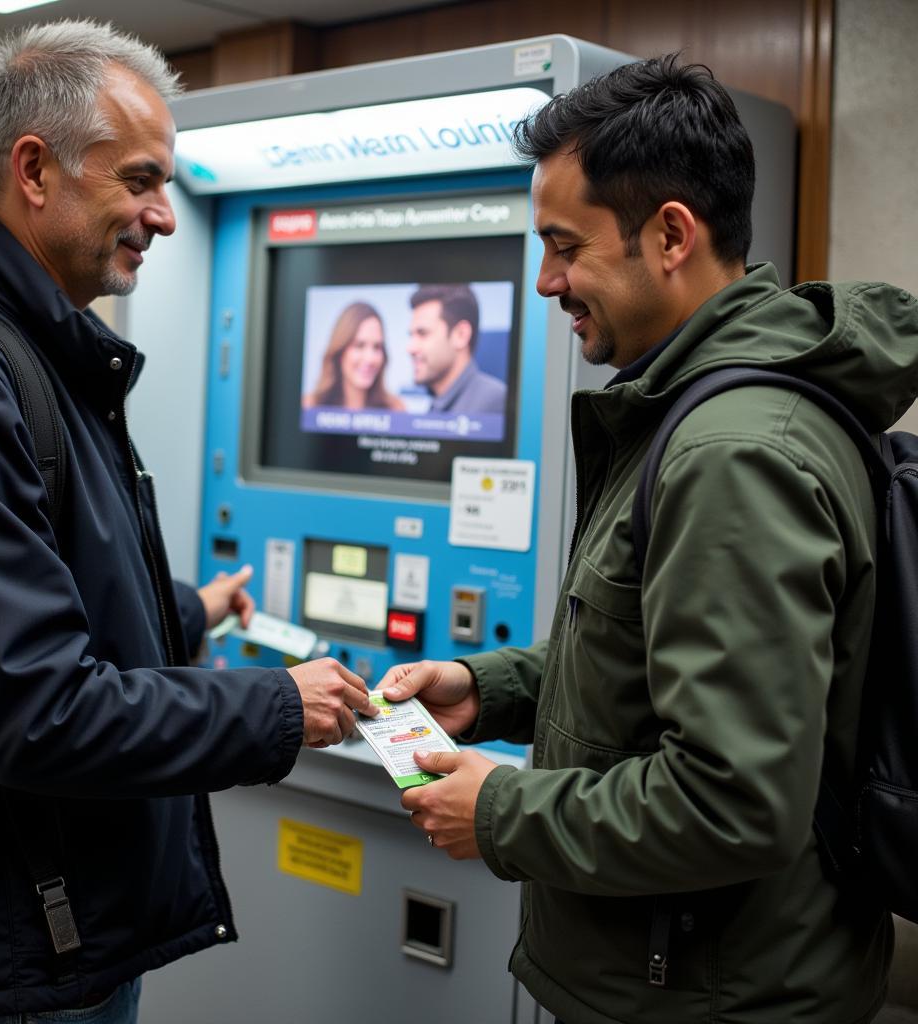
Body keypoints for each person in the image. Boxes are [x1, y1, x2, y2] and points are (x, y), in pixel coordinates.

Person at [380, 55, 917, 1023]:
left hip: (710, 994)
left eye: (564, 246)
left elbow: (731, 801)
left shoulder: (733, 450)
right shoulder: (692, 408)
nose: (546, 282)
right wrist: (490, 688)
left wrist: (499, 811)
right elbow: (648, 660)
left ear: (670, 234)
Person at [0, 19, 375, 1020]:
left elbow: (51, 593)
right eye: (141, 180)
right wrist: (278, 707)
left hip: (62, 927)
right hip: (0, 958)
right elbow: (33, 707)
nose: (164, 216)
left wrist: (192, 609)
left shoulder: (44, 354)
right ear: (34, 170)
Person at [407, 283, 506, 414]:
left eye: (423, 333)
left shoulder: (495, 402)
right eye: (411, 335)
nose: (410, 348)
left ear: (461, 335)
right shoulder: (436, 405)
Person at [303, 300, 405, 410]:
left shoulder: (396, 409)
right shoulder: (309, 405)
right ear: (340, 351)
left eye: (377, 347)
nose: (370, 359)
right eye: (359, 346)